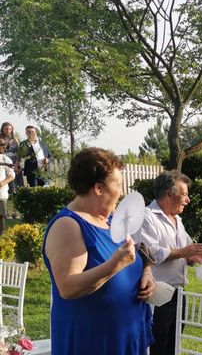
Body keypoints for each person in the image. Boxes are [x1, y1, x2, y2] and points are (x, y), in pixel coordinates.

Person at [42, 147, 155, 355]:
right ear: (98, 188)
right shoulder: (68, 226)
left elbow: (132, 258)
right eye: (118, 185)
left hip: (126, 334)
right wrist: (115, 265)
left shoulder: (111, 220)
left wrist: (146, 274)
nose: (122, 192)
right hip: (94, 340)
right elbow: (67, 287)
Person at [135, 170, 202, 355]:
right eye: (185, 194)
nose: (188, 200)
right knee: (157, 346)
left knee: (174, 344)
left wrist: (193, 257)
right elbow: (148, 250)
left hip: (179, 293)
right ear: (170, 193)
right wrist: (183, 252)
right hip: (157, 294)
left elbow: (185, 250)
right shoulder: (147, 216)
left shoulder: (178, 220)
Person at [0, 139, 16, 234]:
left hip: (1, 193)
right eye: (1, 144)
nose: (2, 146)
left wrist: (3, 182)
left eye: (3, 144)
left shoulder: (5, 159)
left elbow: (12, 175)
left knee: (1, 217)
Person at [1, 122, 21, 194]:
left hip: (14, 160)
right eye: (6, 129)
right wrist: (7, 146)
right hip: (4, 160)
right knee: (6, 176)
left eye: (10, 129)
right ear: (2, 129)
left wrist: (18, 162)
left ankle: (16, 193)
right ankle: (8, 193)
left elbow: (19, 152)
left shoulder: (15, 139)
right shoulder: (0, 139)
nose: (8, 131)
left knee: (15, 176)